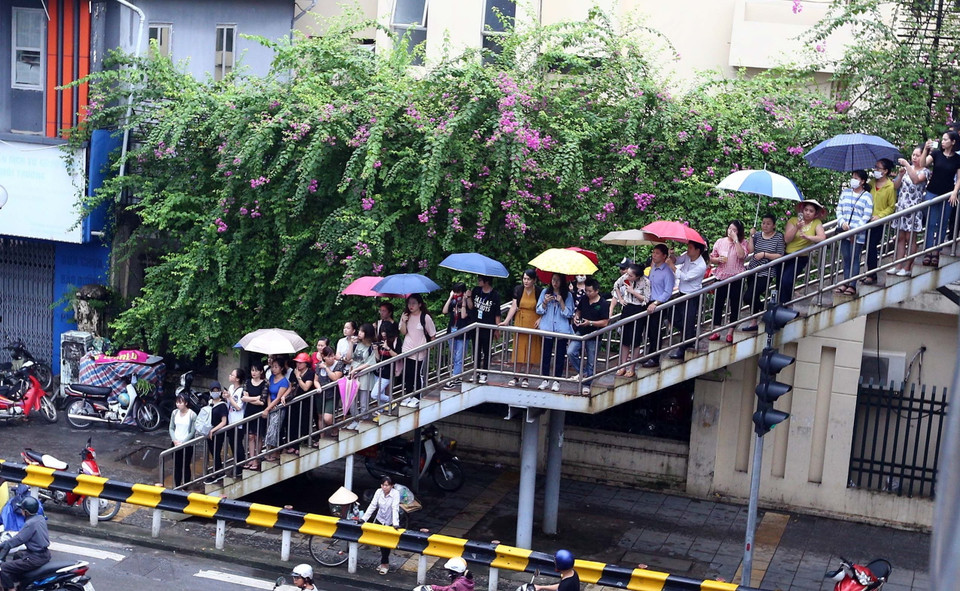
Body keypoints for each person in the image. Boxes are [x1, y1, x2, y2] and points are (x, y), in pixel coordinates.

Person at [889, 146, 930, 276]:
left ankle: (907, 267)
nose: (914, 157)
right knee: (900, 237)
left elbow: (916, 180)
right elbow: (895, 186)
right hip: (902, 207)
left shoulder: (925, 171)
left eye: (918, 155)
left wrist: (907, 165)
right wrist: (900, 175)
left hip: (914, 208)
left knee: (910, 238)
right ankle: (898, 265)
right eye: (913, 155)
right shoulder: (907, 170)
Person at [922, 130, 960, 266]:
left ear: (953, 142)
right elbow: (923, 164)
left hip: (947, 194)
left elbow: (959, 178)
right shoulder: (936, 154)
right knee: (931, 223)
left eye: (945, 139)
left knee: (943, 224)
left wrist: (955, 191)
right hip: (932, 191)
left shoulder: (957, 158)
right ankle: (928, 251)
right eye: (942, 139)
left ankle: (936, 252)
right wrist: (926, 150)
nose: (943, 142)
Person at [498, 270, 541, 388]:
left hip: (533, 319)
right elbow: (513, 306)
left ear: (534, 280)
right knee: (519, 348)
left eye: (528, 279)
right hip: (520, 320)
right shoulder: (518, 289)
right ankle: (516, 376)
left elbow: (543, 307)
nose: (526, 281)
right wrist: (506, 321)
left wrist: (541, 319)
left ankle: (526, 376)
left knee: (531, 348)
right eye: (524, 279)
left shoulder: (538, 291)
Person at [779, 199, 827, 304]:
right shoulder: (793, 220)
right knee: (780, 281)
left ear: (815, 213)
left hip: (800, 257)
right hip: (786, 255)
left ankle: (785, 304)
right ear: (802, 210)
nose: (808, 213)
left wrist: (808, 237)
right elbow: (787, 239)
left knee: (787, 280)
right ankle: (780, 305)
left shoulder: (816, 222)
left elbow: (822, 237)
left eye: (811, 211)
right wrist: (797, 227)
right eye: (806, 210)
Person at [743, 214, 785, 331]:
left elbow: (780, 255)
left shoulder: (778, 237)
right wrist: (751, 236)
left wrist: (765, 254)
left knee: (749, 296)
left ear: (774, 225)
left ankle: (765, 309)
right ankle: (754, 321)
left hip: (767, 271)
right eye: (763, 223)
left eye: (768, 223)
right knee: (752, 297)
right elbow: (750, 250)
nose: (765, 226)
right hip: (752, 269)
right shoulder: (757, 236)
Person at [835, 170, 874, 296]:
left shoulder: (867, 196)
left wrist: (854, 229)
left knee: (854, 258)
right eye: (852, 177)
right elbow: (839, 209)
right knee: (846, 258)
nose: (853, 180)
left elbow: (866, 215)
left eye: (856, 178)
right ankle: (845, 281)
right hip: (844, 231)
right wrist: (842, 223)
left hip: (858, 233)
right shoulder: (845, 193)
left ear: (862, 181)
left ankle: (852, 284)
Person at [708, 220, 748, 343]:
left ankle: (731, 331)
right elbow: (711, 258)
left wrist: (736, 240)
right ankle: (716, 330)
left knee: (734, 305)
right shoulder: (720, 241)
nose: (731, 232)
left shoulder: (743, 243)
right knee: (718, 304)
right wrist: (717, 259)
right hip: (721, 276)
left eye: (734, 230)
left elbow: (742, 256)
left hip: (736, 277)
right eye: (730, 229)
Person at [667, 241, 707, 360]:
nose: (688, 250)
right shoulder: (688, 256)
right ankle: (691, 334)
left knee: (688, 321)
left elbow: (686, 277)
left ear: (697, 250)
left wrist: (672, 267)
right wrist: (671, 257)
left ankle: (683, 348)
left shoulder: (701, 265)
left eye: (690, 248)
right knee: (672, 316)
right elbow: (678, 260)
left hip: (692, 295)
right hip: (682, 293)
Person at [568, 278, 610, 395]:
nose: (587, 293)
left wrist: (590, 322)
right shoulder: (584, 299)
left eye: (590, 291)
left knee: (591, 361)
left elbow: (605, 322)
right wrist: (577, 317)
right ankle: (584, 373)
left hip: (594, 335)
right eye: (586, 291)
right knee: (571, 351)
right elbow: (579, 311)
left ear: (596, 291)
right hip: (581, 331)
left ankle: (587, 384)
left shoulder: (603, 303)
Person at [0, 496, 50, 591]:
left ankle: (11, 589)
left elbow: (17, 540)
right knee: (18, 555)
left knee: (3, 568)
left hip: (35, 558)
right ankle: (21, 584)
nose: (21, 512)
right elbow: (17, 538)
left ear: (26, 512)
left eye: (22, 509)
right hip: (44, 554)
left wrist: (2, 556)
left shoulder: (30, 524)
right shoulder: (40, 518)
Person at [536, 273, 574, 392]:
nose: (555, 282)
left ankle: (557, 380)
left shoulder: (568, 295)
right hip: (547, 327)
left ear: (562, 282)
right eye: (553, 280)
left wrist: (561, 302)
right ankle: (545, 379)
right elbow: (538, 310)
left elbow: (569, 313)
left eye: (557, 280)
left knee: (559, 355)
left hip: (561, 329)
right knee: (546, 354)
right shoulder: (544, 292)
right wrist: (545, 302)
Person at [611, 263, 649, 377]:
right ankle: (622, 366)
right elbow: (616, 285)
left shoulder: (646, 282)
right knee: (625, 339)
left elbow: (646, 299)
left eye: (631, 275)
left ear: (637, 276)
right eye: (627, 274)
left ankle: (632, 367)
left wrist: (633, 292)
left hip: (638, 309)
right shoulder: (625, 277)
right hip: (627, 307)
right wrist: (621, 299)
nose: (628, 277)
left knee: (635, 340)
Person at [640, 244, 675, 368]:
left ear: (664, 256)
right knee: (649, 331)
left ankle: (655, 358)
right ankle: (649, 354)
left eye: (657, 253)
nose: (654, 255)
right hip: (649, 301)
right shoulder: (653, 268)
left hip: (659, 304)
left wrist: (656, 303)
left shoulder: (667, 272)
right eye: (653, 253)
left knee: (655, 331)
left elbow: (667, 292)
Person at [399, 294, 437, 407]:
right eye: (409, 303)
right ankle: (408, 395)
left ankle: (417, 397)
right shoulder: (406, 315)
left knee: (417, 374)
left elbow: (432, 335)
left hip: (419, 350)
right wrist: (403, 321)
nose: (411, 306)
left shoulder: (425, 317)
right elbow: (403, 332)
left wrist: (429, 347)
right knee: (407, 375)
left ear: (419, 304)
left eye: (414, 303)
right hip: (407, 349)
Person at [863, 158, 896, 284]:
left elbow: (891, 206)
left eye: (878, 168)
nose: (876, 170)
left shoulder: (890, 186)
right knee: (865, 246)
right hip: (865, 219)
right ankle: (868, 273)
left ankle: (872, 274)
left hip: (877, 222)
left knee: (871, 246)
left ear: (885, 171)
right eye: (875, 167)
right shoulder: (871, 183)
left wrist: (880, 216)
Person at [362, 476, 401, 576]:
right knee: (379, 542)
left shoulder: (395, 494)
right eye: (383, 485)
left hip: (389, 521)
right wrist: (364, 519)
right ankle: (383, 562)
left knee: (385, 544)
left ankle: (385, 564)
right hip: (380, 519)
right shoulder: (378, 492)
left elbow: (395, 508)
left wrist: (395, 523)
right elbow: (373, 505)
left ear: (391, 486)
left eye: (387, 485)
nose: (385, 487)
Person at [468, 275, 501, 384]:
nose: (478, 282)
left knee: (486, 350)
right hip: (476, 325)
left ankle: (484, 373)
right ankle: (475, 371)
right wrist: (468, 297)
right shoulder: (476, 291)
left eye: (480, 280)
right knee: (476, 349)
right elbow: (471, 306)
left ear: (486, 281)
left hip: (488, 326)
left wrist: (497, 328)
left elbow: (497, 313)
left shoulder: (495, 295)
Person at [442, 283, 473, 391]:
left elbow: (464, 315)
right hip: (452, 331)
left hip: (462, 332)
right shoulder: (453, 301)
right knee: (454, 356)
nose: (456, 294)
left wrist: (464, 300)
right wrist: (450, 297)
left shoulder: (467, 301)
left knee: (459, 357)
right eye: (454, 292)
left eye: (458, 292)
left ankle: (453, 379)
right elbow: (445, 311)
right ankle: (457, 376)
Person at [347, 323, 378, 428]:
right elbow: (349, 358)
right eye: (359, 331)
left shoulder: (371, 347)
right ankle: (354, 420)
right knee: (352, 400)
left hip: (364, 376)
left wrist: (356, 369)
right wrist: (351, 344)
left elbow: (370, 363)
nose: (359, 333)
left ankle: (363, 421)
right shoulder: (357, 344)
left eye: (362, 331)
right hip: (353, 375)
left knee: (364, 402)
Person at [261, 358, 290, 462]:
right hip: (271, 406)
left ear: (281, 368)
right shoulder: (271, 377)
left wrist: (268, 409)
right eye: (272, 366)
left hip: (278, 408)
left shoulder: (284, 381)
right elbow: (269, 392)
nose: (273, 369)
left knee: (274, 429)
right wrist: (269, 406)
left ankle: (274, 452)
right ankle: (270, 451)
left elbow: (278, 397)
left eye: (276, 367)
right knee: (269, 429)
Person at [286, 353, 315, 451]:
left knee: (304, 422)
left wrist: (298, 377)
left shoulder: (310, 373)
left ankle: (302, 444)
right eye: (297, 362)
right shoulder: (293, 372)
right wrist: (284, 396)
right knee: (293, 423)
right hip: (294, 401)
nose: (298, 365)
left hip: (306, 402)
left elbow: (306, 387)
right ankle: (293, 445)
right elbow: (290, 386)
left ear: (306, 363)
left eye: (301, 363)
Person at [241, 363, 267, 470]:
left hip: (259, 412)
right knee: (250, 436)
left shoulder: (265, 383)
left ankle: (256, 458)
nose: (254, 373)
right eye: (252, 370)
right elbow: (244, 398)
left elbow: (262, 401)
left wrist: (251, 399)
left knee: (258, 436)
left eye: (256, 370)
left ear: (261, 371)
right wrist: (255, 398)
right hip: (249, 412)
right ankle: (251, 458)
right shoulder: (247, 382)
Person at [313, 346, 344, 436]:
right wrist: (318, 387)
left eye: (332, 356)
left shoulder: (338, 364)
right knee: (320, 416)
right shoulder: (319, 366)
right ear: (324, 357)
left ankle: (335, 428)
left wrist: (326, 368)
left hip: (332, 394)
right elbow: (315, 380)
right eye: (328, 356)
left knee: (327, 418)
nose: (331, 358)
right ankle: (321, 437)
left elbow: (335, 378)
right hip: (320, 394)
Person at [372, 324, 401, 417]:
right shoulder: (380, 340)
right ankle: (381, 412)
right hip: (378, 371)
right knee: (380, 394)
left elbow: (397, 356)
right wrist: (376, 349)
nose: (383, 334)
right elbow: (377, 359)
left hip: (387, 372)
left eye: (385, 332)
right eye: (382, 332)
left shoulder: (395, 341)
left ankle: (391, 400)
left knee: (374, 394)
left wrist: (387, 347)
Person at [169, 393, 197, 486]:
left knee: (186, 465)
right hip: (175, 443)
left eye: (180, 402)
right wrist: (174, 440)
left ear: (186, 403)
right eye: (177, 402)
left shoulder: (192, 415)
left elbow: (192, 432)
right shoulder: (174, 413)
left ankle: (185, 485)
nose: (178, 404)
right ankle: (177, 485)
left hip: (187, 445)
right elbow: (171, 428)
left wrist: (183, 442)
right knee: (177, 466)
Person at [224, 368, 248, 477]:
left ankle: (241, 465)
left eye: (232, 375)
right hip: (230, 420)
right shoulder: (230, 388)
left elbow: (238, 406)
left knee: (237, 443)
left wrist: (230, 398)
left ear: (237, 378)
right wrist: (226, 397)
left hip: (238, 421)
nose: (230, 376)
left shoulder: (241, 390)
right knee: (232, 443)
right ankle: (236, 464)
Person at [205, 385, 229, 483]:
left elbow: (224, 421)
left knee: (216, 451)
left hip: (218, 433)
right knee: (213, 452)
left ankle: (217, 472)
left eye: (217, 390)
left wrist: (213, 430)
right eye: (213, 390)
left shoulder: (222, 405)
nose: (215, 392)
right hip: (209, 432)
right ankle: (217, 470)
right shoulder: (210, 403)